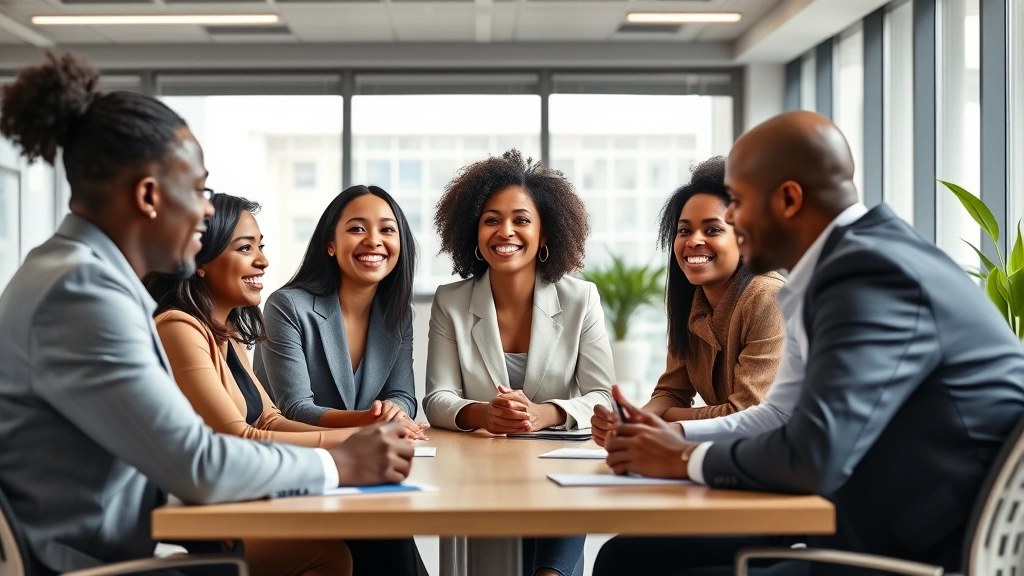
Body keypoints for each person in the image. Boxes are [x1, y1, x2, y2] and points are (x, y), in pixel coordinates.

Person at [0, 51, 414, 576]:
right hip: (86, 565)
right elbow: (199, 460)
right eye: (198, 190)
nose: (206, 211)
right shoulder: (83, 292)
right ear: (150, 196)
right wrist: (339, 462)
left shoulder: (76, 273)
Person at [593, 111, 1024, 576]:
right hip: (879, 529)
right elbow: (779, 414)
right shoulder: (833, 269)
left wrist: (682, 458)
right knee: (626, 557)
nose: (732, 219)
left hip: (920, 553)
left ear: (789, 199)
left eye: (736, 202)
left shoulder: (870, 274)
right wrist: (669, 437)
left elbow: (814, 454)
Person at [424, 149, 614, 576]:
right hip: (479, 472)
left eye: (521, 220)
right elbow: (437, 398)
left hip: (558, 470)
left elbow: (602, 397)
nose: (505, 231)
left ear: (545, 235)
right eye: (491, 219)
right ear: (474, 232)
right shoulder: (450, 302)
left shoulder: (581, 299)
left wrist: (545, 414)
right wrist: (484, 414)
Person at [253, 184, 426, 576]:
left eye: (387, 230)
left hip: (359, 473)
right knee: (388, 538)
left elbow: (403, 394)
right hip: (298, 469)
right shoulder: (287, 306)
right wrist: (373, 422)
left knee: (390, 531)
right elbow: (295, 407)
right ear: (330, 244)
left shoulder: (396, 314)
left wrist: (395, 410)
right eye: (357, 229)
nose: (374, 241)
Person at [589, 157, 784, 447]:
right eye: (684, 230)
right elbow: (672, 390)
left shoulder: (768, 298)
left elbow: (745, 413)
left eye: (713, 229)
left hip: (778, 459)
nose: (693, 240)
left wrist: (664, 420)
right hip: (726, 454)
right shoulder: (692, 301)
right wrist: (631, 421)